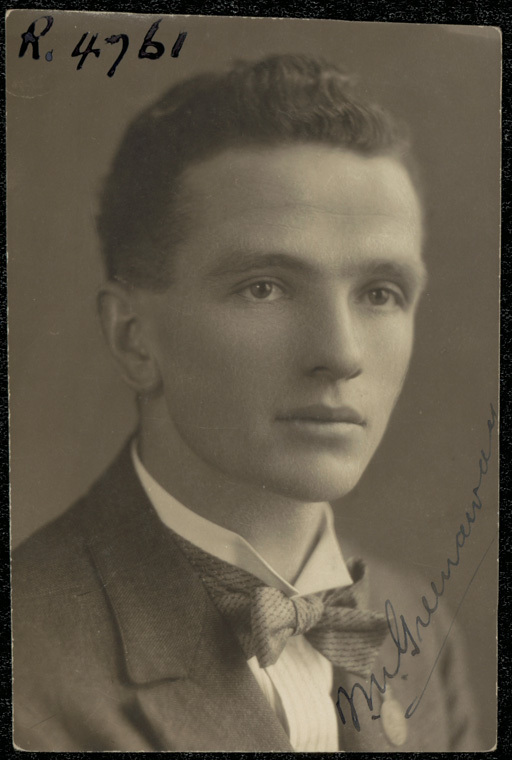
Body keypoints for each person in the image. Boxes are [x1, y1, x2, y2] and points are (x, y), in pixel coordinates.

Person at [12, 54, 480, 751]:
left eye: (380, 294)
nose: (342, 354)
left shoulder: (418, 625)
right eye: (265, 287)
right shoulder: (27, 661)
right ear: (134, 338)